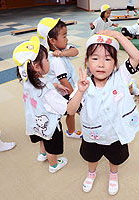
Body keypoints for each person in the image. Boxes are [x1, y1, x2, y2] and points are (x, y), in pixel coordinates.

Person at [68, 30, 139, 195]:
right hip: (92, 135)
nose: (101, 64)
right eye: (95, 58)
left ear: (115, 63)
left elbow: (136, 56)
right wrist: (80, 91)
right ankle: (91, 173)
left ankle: (113, 174)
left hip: (115, 135)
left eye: (108, 59)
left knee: (115, 158)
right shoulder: (83, 84)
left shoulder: (121, 77)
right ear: (87, 62)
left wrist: (119, 36)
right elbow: (70, 110)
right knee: (91, 158)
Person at [13, 36, 88, 173]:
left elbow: (40, 89)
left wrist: (55, 85)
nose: (49, 61)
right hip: (50, 125)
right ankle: (54, 165)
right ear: (36, 67)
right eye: (47, 59)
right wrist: (79, 93)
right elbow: (69, 110)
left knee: (42, 138)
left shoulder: (28, 81)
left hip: (34, 120)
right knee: (51, 146)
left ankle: (42, 154)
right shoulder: (48, 93)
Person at [37, 17, 82, 139]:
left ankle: (73, 128)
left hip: (70, 87)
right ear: (52, 40)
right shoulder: (55, 60)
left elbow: (75, 51)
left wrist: (62, 53)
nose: (67, 39)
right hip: (65, 91)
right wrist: (74, 96)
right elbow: (63, 80)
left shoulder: (61, 50)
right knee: (72, 111)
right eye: (64, 36)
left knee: (74, 111)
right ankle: (70, 131)